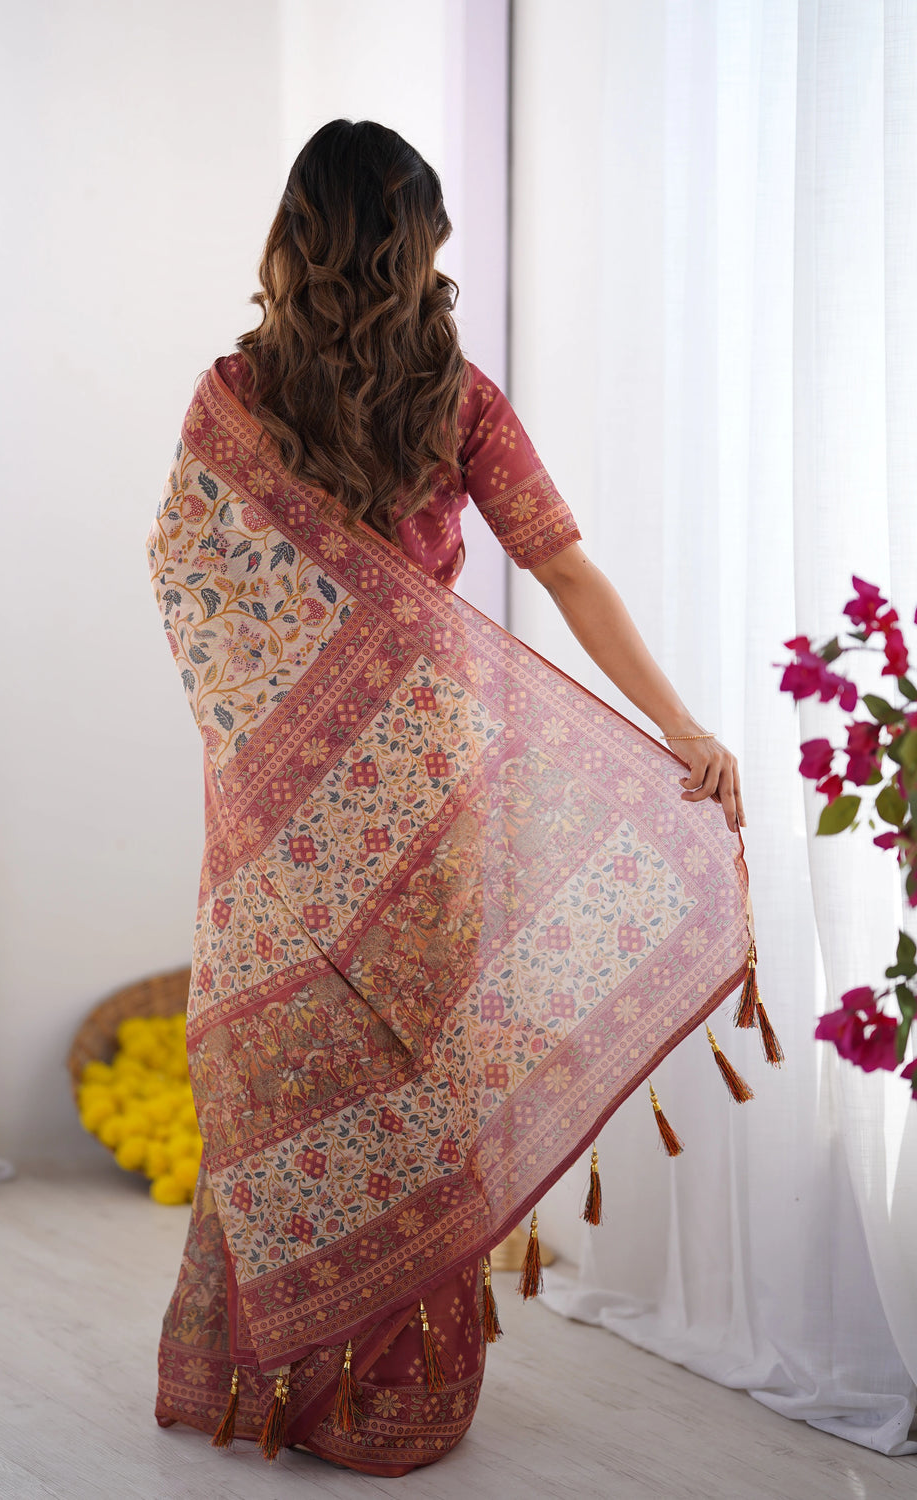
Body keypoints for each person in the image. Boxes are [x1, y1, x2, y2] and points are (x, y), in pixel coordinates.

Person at [146, 119, 765, 1476]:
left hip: (280, 785)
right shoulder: (452, 393)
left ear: (295, 237)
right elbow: (565, 569)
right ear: (415, 242)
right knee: (411, 1070)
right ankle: (386, 1392)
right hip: (415, 775)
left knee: (300, 1064)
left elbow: (192, 586)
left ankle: (303, 1384)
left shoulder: (235, 394)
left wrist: (678, 724)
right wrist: (676, 719)